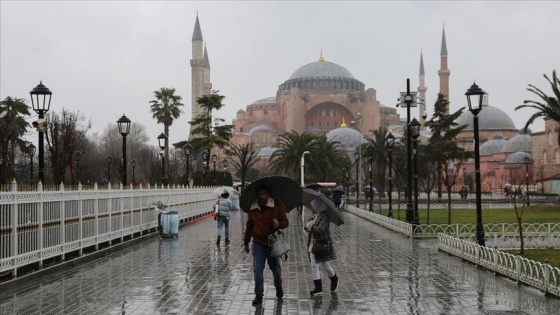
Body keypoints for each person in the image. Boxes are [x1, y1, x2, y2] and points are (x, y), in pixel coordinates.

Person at [243, 185, 289, 306]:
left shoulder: (276, 207)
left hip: (272, 244)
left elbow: (286, 223)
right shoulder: (253, 210)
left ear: (267, 194)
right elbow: (249, 227)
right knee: (258, 269)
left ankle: (278, 286)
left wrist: (278, 223)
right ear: (257, 196)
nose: (261, 197)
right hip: (258, 243)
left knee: (276, 270)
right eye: (259, 194)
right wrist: (246, 242)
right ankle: (259, 295)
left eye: (263, 194)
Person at [304, 189, 339, 297]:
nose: (313, 208)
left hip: (322, 244)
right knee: (314, 265)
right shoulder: (316, 215)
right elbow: (308, 226)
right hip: (313, 244)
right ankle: (318, 288)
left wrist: (311, 226)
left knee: (326, 265)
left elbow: (319, 229)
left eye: (315, 205)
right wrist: (308, 225)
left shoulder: (324, 216)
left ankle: (334, 277)